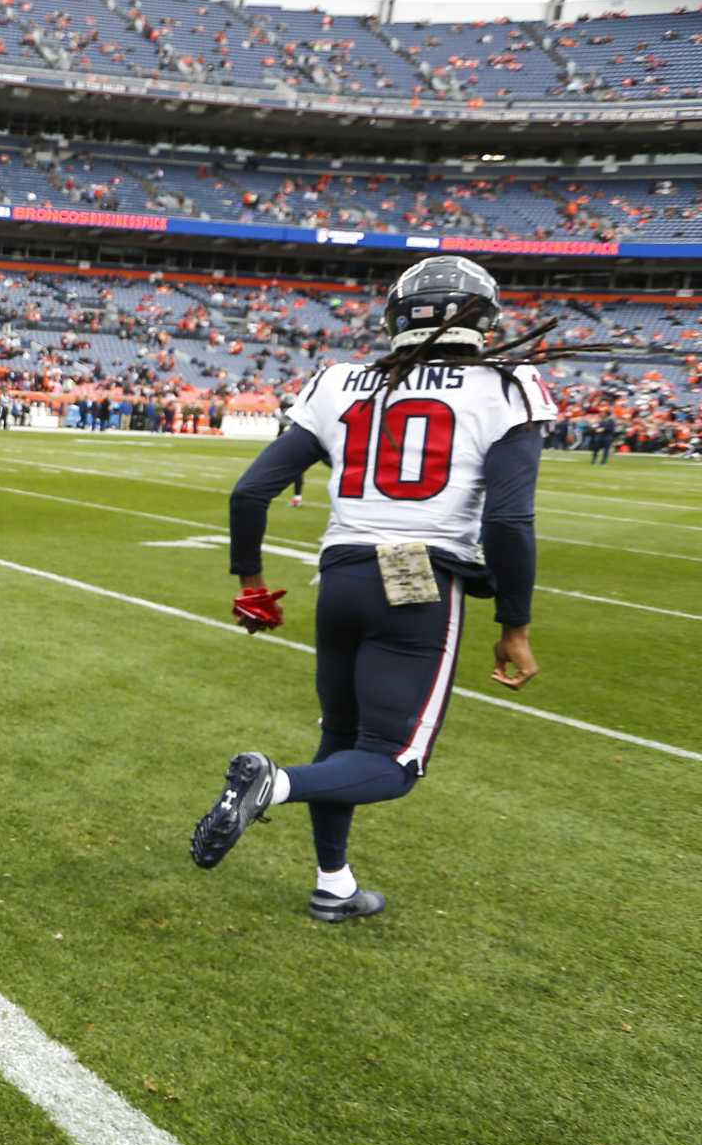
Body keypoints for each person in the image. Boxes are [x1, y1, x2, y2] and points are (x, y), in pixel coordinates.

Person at [190, 256, 555, 923]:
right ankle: (274, 783)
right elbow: (508, 520)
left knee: (344, 737)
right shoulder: (508, 384)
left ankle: (334, 883)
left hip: (343, 574)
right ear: (483, 318)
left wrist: (253, 586)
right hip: (417, 574)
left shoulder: (339, 381)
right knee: (393, 762)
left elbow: (250, 491)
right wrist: (515, 623)